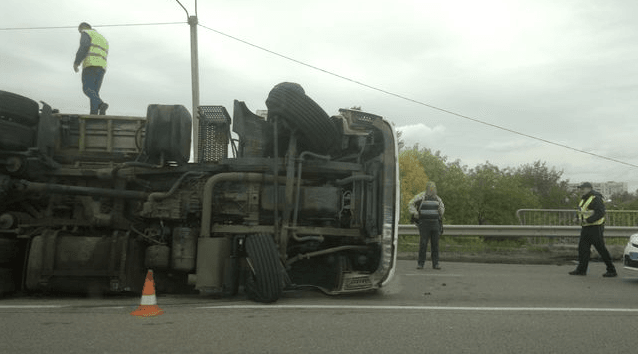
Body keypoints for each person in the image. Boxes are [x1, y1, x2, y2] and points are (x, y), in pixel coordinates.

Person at [569, 182, 617, 277]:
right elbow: (582, 211)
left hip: (595, 227)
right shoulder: (584, 199)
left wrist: (588, 220)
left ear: (589, 188)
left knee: (601, 249)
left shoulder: (596, 198)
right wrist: (578, 219)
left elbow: (600, 213)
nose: (581, 190)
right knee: (583, 249)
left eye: (583, 188)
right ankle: (581, 270)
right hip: (586, 227)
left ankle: (611, 270)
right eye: (580, 188)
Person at [73, 22, 109, 115]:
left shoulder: (86, 33)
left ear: (82, 28)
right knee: (94, 93)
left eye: (79, 31)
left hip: (90, 65)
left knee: (87, 89)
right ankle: (94, 114)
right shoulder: (102, 38)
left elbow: (84, 46)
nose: (80, 33)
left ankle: (101, 105)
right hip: (102, 68)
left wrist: (77, 62)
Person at [408, 181, 445, 270]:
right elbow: (410, 204)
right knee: (423, 244)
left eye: (434, 188)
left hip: (435, 224)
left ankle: (436, 264)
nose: (432, 190)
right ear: (427, 188)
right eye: (431, 188)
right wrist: (415, 212)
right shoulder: (421, 196)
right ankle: (420, 263)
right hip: (424, 224)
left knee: (435, 245)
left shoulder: (438, 199)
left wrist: (441, 211)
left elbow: (442, 208)